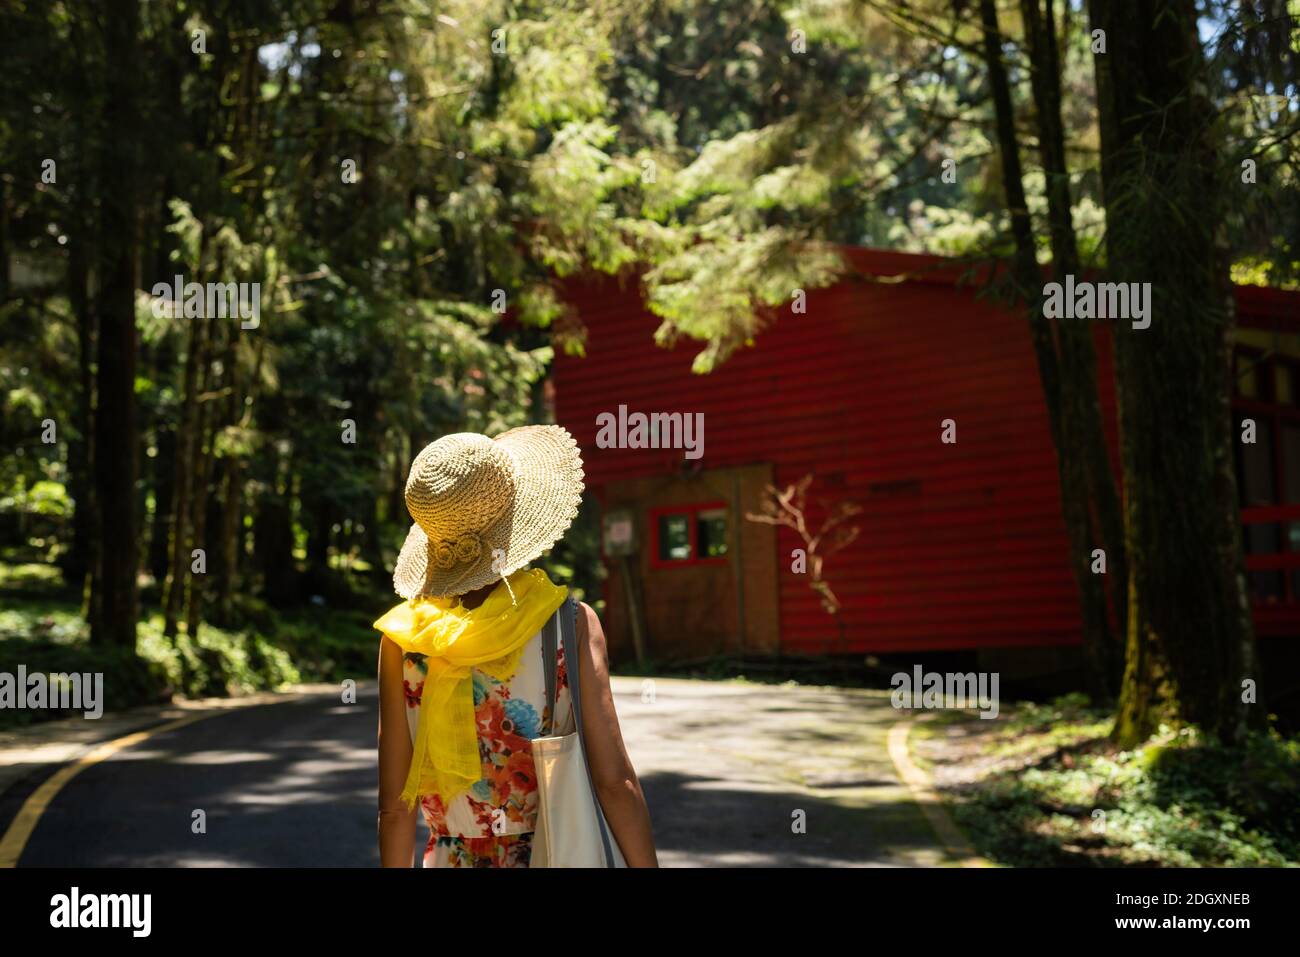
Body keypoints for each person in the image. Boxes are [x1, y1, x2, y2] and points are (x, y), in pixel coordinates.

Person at [375, 425, 657, 867]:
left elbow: (395, 808)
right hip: (555, 851)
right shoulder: (568, 623)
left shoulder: (405, 641)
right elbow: (614, 782)